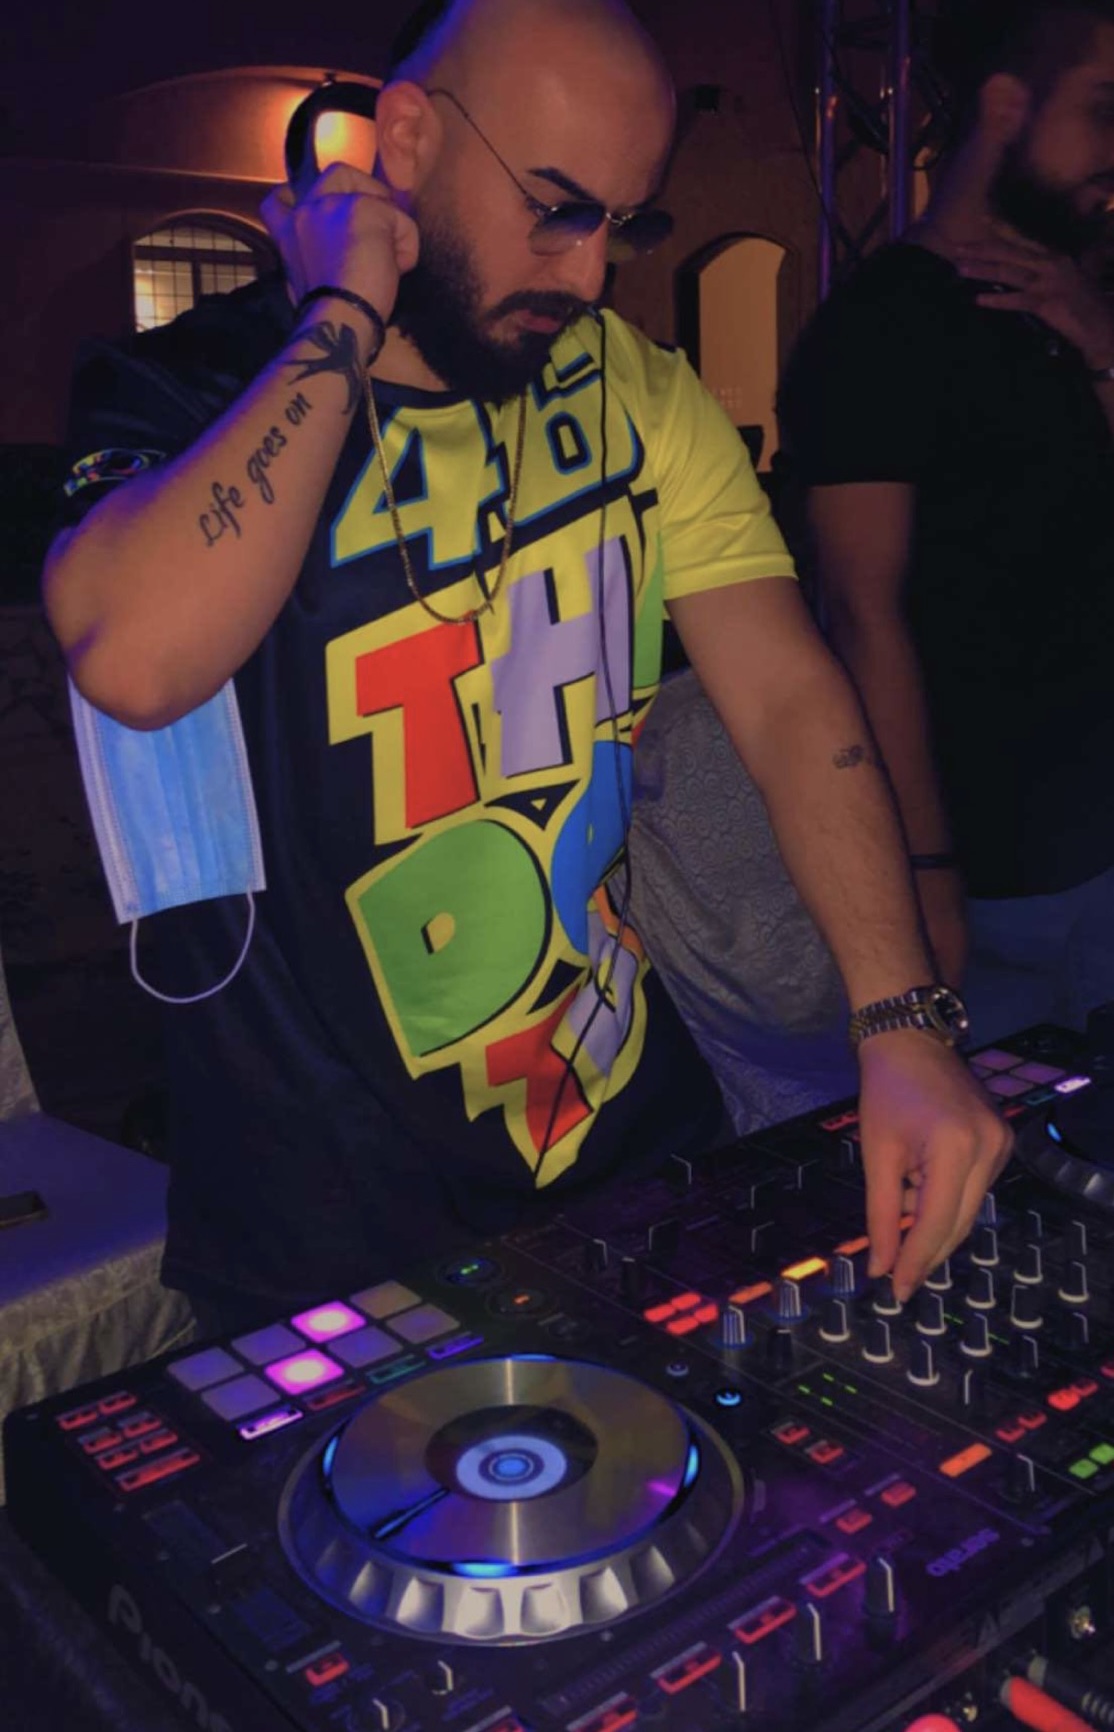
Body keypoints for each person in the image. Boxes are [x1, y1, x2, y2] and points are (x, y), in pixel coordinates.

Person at [43, 0, 1007, 1332]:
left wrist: (899, 1020)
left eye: (623, 223)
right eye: (555, 208)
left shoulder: (636, 388)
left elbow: (790, 701)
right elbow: (135, 660)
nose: (588, 272)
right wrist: (341, 309)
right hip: (321, 1225)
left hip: (634, 1159)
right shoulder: (199, 387)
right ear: (408, 139)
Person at [779, 0, 1114, 1046]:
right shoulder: (881, 329)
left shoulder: (1080, 308)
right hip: (986, 884)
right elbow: (860, 612)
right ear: (1008, 108)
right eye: (1103, 110)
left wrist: (1103, 344)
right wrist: (920, 875)